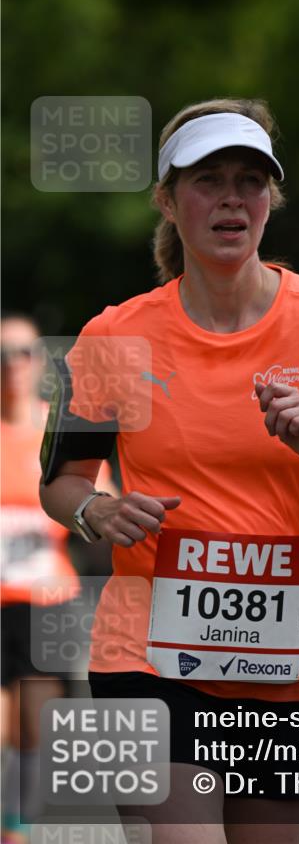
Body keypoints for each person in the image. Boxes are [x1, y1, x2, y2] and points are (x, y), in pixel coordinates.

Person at [39, 98, 299, 844]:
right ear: (168, 201)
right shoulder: (114, 336)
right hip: (146, 659)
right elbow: (61, 480)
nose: (231, 199)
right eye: (208, 180)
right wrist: (97, 512)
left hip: (290, 667)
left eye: (250, 181)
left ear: (270, 202)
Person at [1, 314, 114, 844]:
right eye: (1, 356)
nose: (12, 366)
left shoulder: (56, 428)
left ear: (38, 363)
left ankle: (17, 826)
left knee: (31, 730)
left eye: (22, 353)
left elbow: (98, 507)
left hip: (46, 603)